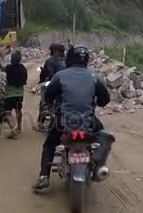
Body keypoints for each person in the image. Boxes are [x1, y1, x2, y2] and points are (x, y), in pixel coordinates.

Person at [32, 45, 115, 190]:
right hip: (87, 123)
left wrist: (52, 104)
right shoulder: (94, 77)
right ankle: (99, 166)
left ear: (69, 58)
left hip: (62, 123)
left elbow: (48, 96)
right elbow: (104, 100)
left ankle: (44, 177)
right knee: (102, 134)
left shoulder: (60, 75)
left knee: (50, 144)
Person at [4, 50, 27, 138]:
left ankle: (13, 130)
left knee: (7, 113)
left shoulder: (8, 68)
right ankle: (19, 127)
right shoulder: (23, 68)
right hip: (19, 94)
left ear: (11, 59)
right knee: (18, 111)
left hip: (9, 95)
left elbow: (1, 68)